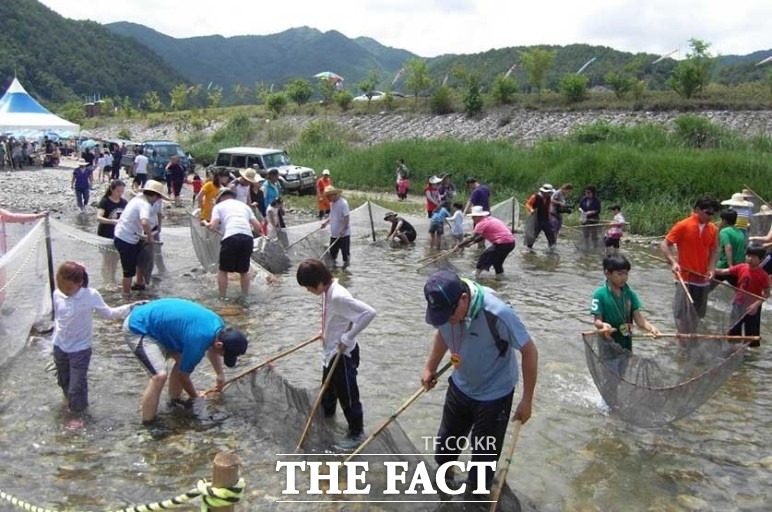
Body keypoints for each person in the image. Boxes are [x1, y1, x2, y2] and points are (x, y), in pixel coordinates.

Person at [420, 269, 537, 493]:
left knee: (481, 470)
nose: (446, 320)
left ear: (464, 300)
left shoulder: (498, 312)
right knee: (444, 454)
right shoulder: (446, 309)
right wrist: (430, 367)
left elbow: (529, 351)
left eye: (449, 315)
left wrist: (527, 400)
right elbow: (442, 333)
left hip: (495, 396)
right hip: (461, 386)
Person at [123, 298, 249, 423]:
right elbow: (184, 376)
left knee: (181, 359)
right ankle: (148, 424)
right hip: (139, 327)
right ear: (219, 345)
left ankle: (174, 400)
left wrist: (220, 374)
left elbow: (212, 349)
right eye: (225, 355)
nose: (224, 357)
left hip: (158, 322)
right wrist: (196, 397)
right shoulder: (199, 340)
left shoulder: (218, 326)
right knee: (159, 376)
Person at [296, 258, 376, 449]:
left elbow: (369, 313)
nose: (309, 291)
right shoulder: (327, 291)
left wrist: (348, 337)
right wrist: (323, 333)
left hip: (343, 356)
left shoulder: (339, 296)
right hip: (330, 353)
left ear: (320, 282)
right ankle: (327, 419)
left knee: (348, 397)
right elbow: (334, 317)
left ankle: (356, 434)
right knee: (328, 391)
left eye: (309, 287)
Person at [51, 261, 141, 414]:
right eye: (61, 287)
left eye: (69, 288)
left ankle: (77, 414)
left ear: (79, 283)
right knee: (63, 381)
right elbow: (58, 319)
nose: (65, 291)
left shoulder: (90, 295)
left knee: (76, 386)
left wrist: (130, 307)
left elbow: (109, 313)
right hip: (59, 346)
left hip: (80, 349)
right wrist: (51, 344)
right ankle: (71, 403)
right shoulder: (57, 294)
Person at [590, 254, 660, 407]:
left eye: (626, 273)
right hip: (608, 344)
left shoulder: (629, 294)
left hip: (625, 344)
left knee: (620, 376)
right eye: (619, 274)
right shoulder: (600, 295)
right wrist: (603, 326)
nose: (624, 278)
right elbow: (597, 320)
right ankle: (609, 408)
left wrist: (651, 328)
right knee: (612, 378)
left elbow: (639, 320)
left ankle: (610, 402)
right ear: (607, 273)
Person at [660, 195, 720, 333]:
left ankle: (690, 339)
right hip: (685, 278)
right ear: (698, 210)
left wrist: (711, 268)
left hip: (702, 279)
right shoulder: (683, 225)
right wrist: (673, 262)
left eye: (713, 213)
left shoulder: (713, 229)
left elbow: (714, 250)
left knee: (697, 315)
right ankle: (682, 343)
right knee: (682, 315)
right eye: (708, 212)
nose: (710, 216)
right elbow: (664, 244)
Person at [201, 188, 262, 299]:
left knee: (223, 270)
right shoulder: (245, 206)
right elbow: (258, 227)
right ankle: (245, 297)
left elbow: (213, 227)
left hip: (231, 237)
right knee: (244, 271)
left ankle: (222, 297)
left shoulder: (218, 206)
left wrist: (205, 222)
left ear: (220, 198)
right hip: (248, 238)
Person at [114, 180, 169, 294]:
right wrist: (149, 237)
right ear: (154, 195)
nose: (158, 200)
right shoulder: (145, 205)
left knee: (140, 260)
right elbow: (144, 223)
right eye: (158, 197)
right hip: (125, 239)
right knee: (128, 271)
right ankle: (126, 296)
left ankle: (139, 284)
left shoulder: (137, 199)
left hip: (127, 235)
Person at [714, 245, 769, 346]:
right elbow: (723, 271)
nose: (749, 258)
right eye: (748, 256)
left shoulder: (763, 275)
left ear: (760, 259)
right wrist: (710, 270)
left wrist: (756, 305)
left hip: (753, 308)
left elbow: (766, 294)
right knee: (734, 331)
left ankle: (750, 357)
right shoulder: (741, 267)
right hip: (738, 304)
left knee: (751, 335)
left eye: (753, 257)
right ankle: (733, 351)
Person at [455, 206, 516, 279]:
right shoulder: (489, 219)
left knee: (484, 256)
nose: (473, 218)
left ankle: (476, 275)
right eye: (472, 217)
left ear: (479, 216)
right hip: (511, 243)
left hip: (502, 243)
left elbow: (471, 237)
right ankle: (500, 278)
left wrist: (458, 246)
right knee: (497, 263)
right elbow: (483, 236)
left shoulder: (481, 223)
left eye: (474, 217)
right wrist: (472, 243)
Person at [96, 180, 128, 284]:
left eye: (122, 191)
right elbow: (99, 217)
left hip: (119, 236)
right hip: (105, 235)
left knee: (115, 259)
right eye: (118, 191)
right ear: (112, 189)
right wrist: (112, 221)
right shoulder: (105, 201)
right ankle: (106, 282)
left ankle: (112, 279)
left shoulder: (124, 203)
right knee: (107, 259)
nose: (120, 194)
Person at [320, 186, 351, 269]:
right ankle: (334, 270)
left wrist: (343, 229)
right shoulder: (332, 204)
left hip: (343, 235)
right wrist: (325, 223)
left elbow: (346, 217)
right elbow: (332, 216)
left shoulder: (343, 203)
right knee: (332, 255)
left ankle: (345, 271)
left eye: (328, 196)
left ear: (334, 194)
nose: (327, 198)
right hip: (334, 234)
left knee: (345, 255)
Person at [715, 209, 746, 288]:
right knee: (739, 290)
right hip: (739, 266)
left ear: (724, 220)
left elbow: (728, 247)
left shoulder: (724, 231)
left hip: (725, 265)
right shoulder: (740, 232)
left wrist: (730, 264)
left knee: (708, 285)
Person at [524, 184, 557, 252]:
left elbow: (547, 207)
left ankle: (552, 249)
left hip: (546, 219)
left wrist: (549, 216)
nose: (550, 194)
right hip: (536, 219)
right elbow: (527, 204)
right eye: (549, 192)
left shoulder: (548, 198)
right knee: (534, 235)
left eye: (550, 192)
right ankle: (528, 249)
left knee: (551, 234)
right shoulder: (535, 197)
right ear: (544, 192)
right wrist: (531, 210)